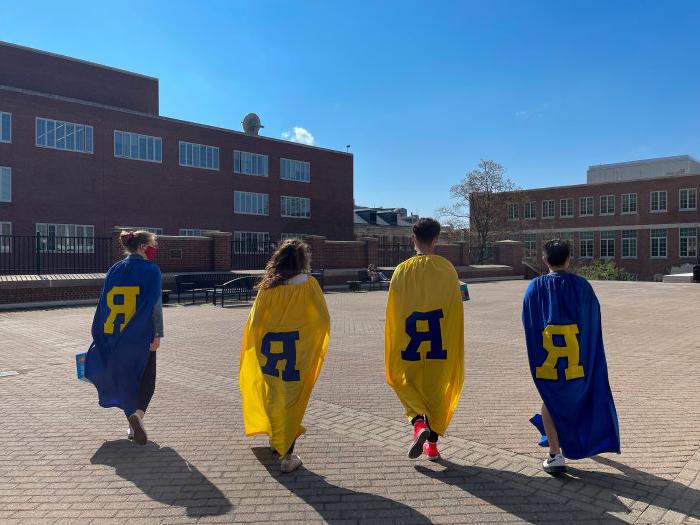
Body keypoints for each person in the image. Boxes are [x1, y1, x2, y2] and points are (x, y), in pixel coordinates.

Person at [522, 239, 620, 474]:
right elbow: (592, 323)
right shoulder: (582, 286)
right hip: (578, 363)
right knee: (575, 402)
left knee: (551, 403)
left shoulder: (535, 287)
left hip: (549, 363)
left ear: (544, 260)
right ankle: (572, 444)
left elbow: (530, 323)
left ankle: (555, 454)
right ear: (568, 259)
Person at [239, 239, 330, 473]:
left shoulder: (268, 288)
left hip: (270, 355)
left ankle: (276, 440)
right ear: (303, 260)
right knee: (292, 400)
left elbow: (256, 323)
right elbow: (321, 320)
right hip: (297, 354)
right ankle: (287, 456)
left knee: (274, 396)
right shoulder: (309, 284)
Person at [385, 218, 464, 461]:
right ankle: (431, 444)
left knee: (401, 381)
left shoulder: (402, 270)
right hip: (439, 346)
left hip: (409, 345)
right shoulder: (447, 269)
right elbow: (454, 310)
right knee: (436, 393)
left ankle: (418, 423)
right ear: (436, 238)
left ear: (413, 239)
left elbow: (394, 311)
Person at [85, 230, 163, 446]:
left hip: (115, 336)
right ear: (142, 247)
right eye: (153, 244)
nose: (154, 249)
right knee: (147, 379)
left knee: (126, 381)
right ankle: (137, 416)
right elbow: (155, 305)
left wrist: (100, 334)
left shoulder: (114, 269)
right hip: (140, 336)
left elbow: (103, 303)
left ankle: (132, 425)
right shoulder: (151, 271)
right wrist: (158, 334)